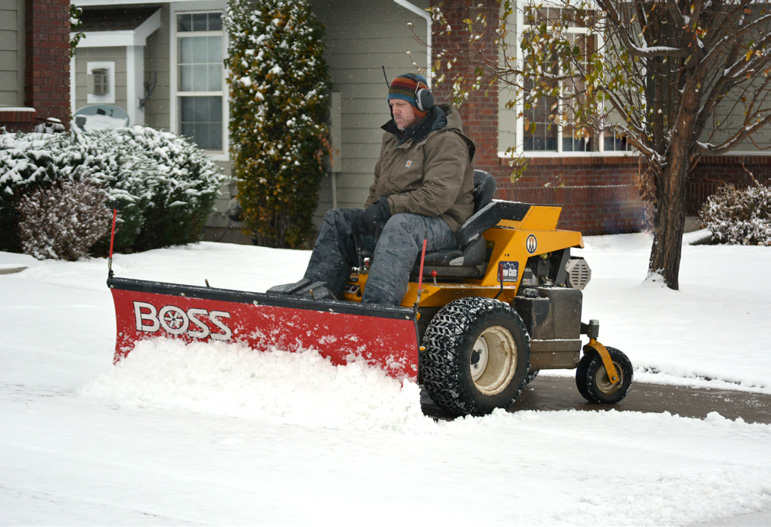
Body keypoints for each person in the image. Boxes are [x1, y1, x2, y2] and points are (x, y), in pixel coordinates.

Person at [301, 73, 476, 305]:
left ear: (422, 104)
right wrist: (367, 216)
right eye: (392, 105)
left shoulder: (447, 140)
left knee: (400, 225)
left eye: (401, 105)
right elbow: (378, 186)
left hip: (444, 225)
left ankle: (377, 309)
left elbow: (438, 198)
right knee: (339, 219)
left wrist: (386, 208)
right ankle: (317, 301)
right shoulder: (393, 138)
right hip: (400, 219)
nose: (395, 111)